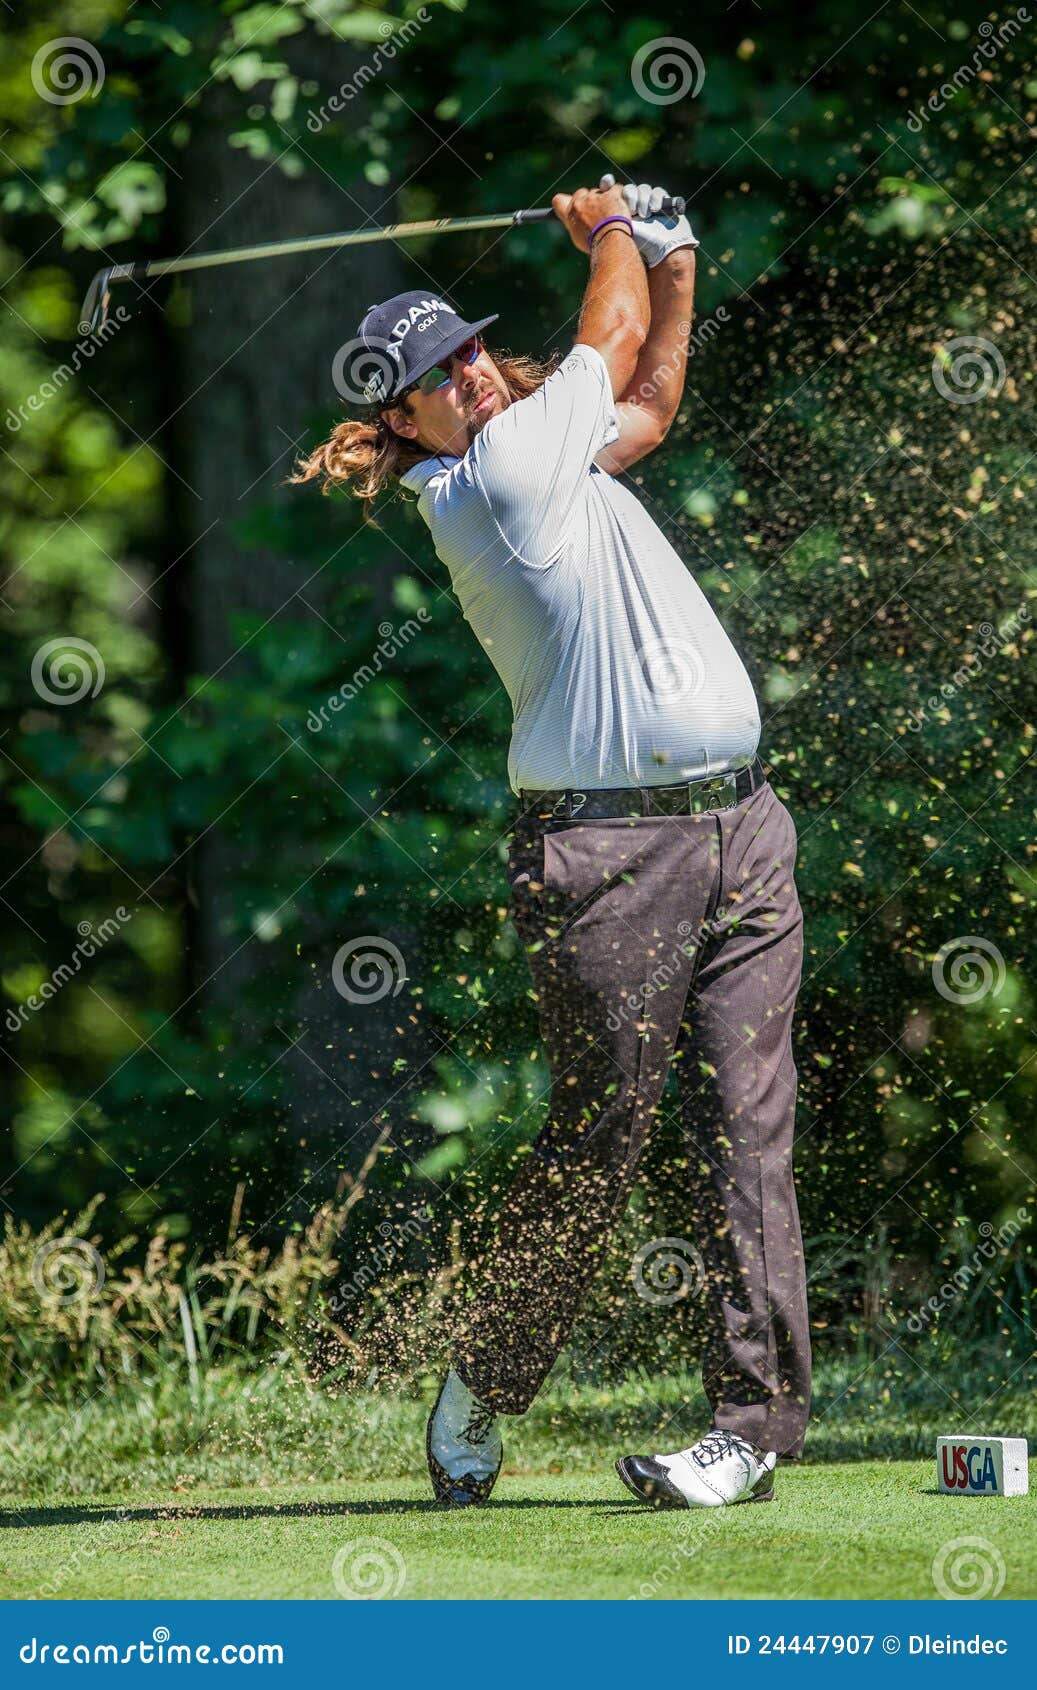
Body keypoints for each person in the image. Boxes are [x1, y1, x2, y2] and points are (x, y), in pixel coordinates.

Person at [293, 178, 810, 1511]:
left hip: (740, 828)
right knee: (601, 1141)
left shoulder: (553, 456)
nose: (461, 374)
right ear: (399, 419)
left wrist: (675, 256)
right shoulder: (488, 486)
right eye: (427, 376)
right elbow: (608, 334)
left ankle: (748, 1430)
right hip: (604, 859)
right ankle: (483, 1379)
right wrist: (615, 232)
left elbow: (644, 401)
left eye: (462, 349)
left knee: (748, 1130)